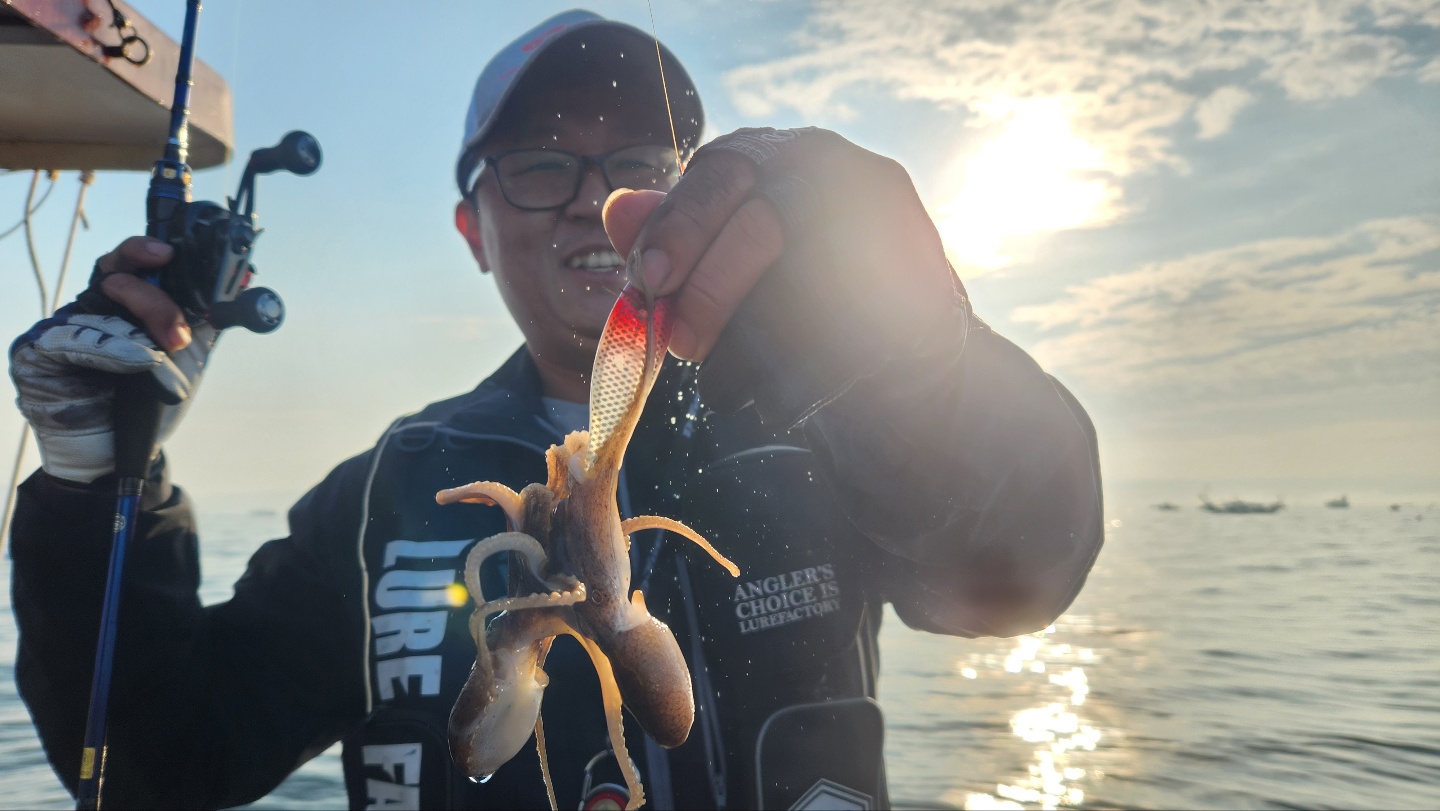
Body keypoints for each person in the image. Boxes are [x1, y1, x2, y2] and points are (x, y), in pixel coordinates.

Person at [8, 10, 1102, 810]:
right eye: (539, 166)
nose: (592, 198)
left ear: (689, 193)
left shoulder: (833, 427)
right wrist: (90, 487)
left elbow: (1025, 572)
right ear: (472, 231)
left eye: (636, 163)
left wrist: (921, 357)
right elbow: (154, 764)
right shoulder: (386, 493)